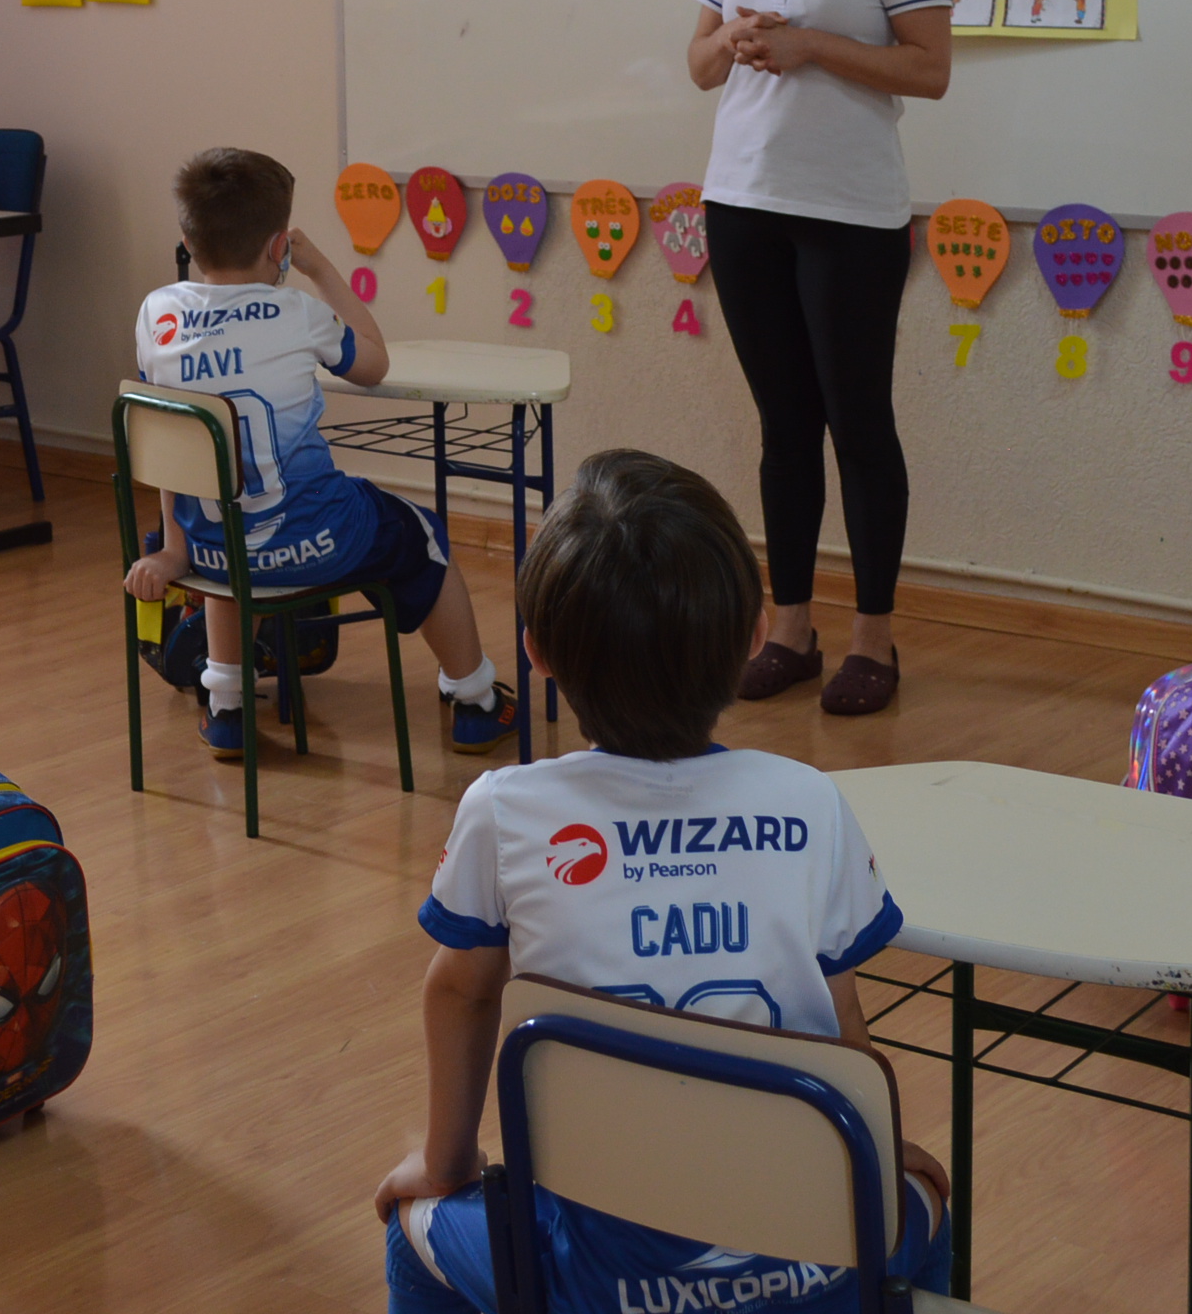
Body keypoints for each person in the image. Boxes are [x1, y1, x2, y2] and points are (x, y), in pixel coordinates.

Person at [372, 450, 946, 1313]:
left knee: (412, 1237)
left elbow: (460, 992)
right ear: (755, 637)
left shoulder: (505, 809)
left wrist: (443, 1165)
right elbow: (842, 1022)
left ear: (535, 653)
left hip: (593, 1280)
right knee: (930, 1206)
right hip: (812, 1260)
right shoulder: (811, 803)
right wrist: (885, 1147)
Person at [685, 0, 954, 715]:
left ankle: (872, 640)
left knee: (858, 425)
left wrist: (811, 45)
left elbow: (927, 69)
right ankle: (788, 627)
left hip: (847, 214)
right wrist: (734, 38)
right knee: (782, 428)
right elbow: (698, 66)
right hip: (742, 201)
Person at [123, 148, 518, 759]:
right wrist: (321, 268)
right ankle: (475, 699)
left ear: (186, 239)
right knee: (422, 536)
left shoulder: (156, 315)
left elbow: (172, 436)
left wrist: (176, 547)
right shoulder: (297, 312)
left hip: (208, 548)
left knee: (231, 527)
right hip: (316, 541)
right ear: (281, 245)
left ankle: (226, 705)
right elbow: (374, 362)